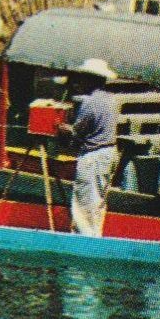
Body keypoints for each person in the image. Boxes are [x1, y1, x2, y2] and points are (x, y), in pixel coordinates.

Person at [58, 58, 121, 237]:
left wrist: (63, 128)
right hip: (109, 153)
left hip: (94, 156)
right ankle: (95, 236)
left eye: (84, 78)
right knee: (98, 202)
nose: (80, 82)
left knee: (85, 205)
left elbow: (77, 132)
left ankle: (84, 241)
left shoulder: (90, 102)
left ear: (92, 80)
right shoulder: (112, 99)